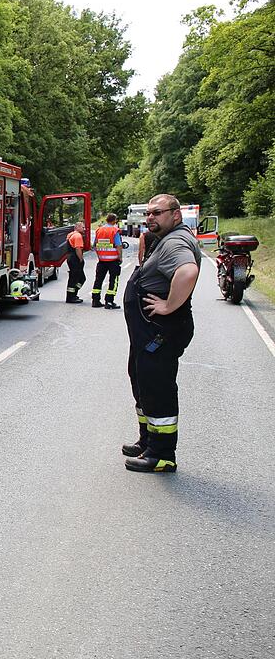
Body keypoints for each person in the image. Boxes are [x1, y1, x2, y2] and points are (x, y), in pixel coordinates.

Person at [122, 193, 202, 473]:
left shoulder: (176, 241)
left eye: (157, 213)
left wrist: (168, 306)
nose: (151, 218)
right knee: (142, 380)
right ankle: (148, 441)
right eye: (149, 214)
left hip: (160, 331)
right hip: (148, 333)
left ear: (175, 215)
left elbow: (188, 271)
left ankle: (162, 454)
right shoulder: (168, 238)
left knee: (157, 387)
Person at [91, 213, 123, 309]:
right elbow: (118, 245)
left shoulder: (99, 230)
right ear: (114, 220)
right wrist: (120, 257)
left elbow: (95, 244)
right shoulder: (114, 230)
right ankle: (109, 302)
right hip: (113, 260)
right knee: (113, 281)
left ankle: (95, 301)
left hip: (101, 260)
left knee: (98, 280)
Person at [65, 221, 86, 304]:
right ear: (77, 227)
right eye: (82, 227)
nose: (84, 229)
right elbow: (78, 249)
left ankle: (72, 295)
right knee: (77, 278)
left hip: (70, 257)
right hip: (75, 258)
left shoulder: (71, 234)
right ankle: (71, 297)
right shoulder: (78, 236)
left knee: (76, 278)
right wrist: (81, 259)